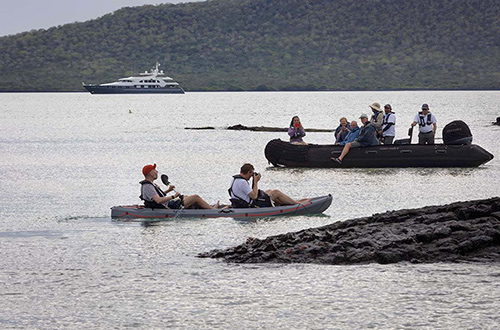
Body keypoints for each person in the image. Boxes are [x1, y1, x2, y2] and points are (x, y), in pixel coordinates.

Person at [139, 163, 219, 209]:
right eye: (155, 171)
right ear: (151, 173)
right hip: (167, 207)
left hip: (167, 204)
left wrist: (169, 190)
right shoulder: (148, 186)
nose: (157, 172)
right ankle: (212, 209)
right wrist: (173, 196)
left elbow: (157, 196)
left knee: (186, 197)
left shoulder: (151, 184)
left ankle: (205, 206)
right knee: (195, 197)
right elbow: (158, 200)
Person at [228, 163, 310, 208]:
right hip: (252, 204)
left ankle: (285, 203)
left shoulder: (235, 180)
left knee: (269, 191)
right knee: (276, 192)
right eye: (251, 174)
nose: (251, 176)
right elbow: (254, 196)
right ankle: (297, 204)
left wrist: (254, 181)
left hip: (244, 202)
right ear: (249, 172)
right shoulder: (242, 182)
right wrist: (255, 182)